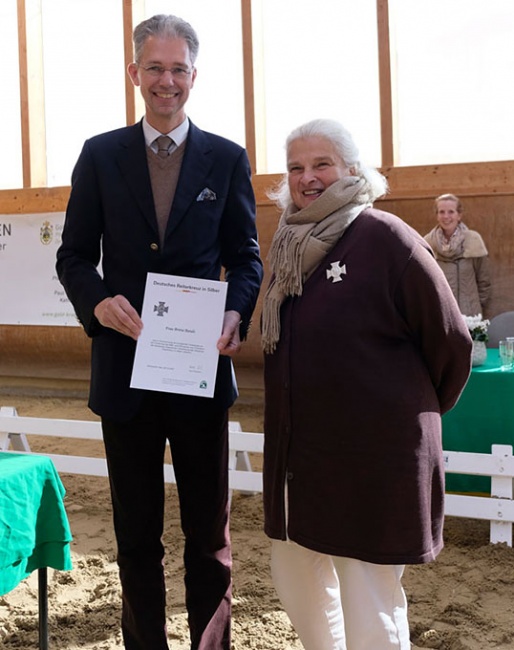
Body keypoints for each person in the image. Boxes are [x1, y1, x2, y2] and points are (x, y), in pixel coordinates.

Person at [56, 14, 263, 650]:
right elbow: (71, 256)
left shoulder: (226, 158)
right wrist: (98, 304)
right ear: (134, 73)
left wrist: (236, 310)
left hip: (200, 375)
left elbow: (247, 256)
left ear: (193, 76)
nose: (166, 81)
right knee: (136, 536)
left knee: (210, 536)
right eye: (155, 68)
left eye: (178, 69)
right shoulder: (99, 154)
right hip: (124, 371)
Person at [261, 118, 472, 650]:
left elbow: (451, 344)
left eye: (322, 164)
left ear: (353, 169)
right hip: (300, 456)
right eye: (296, 167)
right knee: (296, 578)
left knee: (368, 599)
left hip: (374, 458)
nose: (307, 177)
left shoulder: (387, 238)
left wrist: (405, 417)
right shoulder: (287, 246)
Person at [424, 193, 491, 316]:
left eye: (451, 212)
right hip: (441, 314)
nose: (446, 216)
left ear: (459, 215)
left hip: (471, 315)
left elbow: (483, 281)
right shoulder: (428, 243)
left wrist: (476, 306)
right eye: (441, 212)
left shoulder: (473, 240)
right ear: (437, 216)